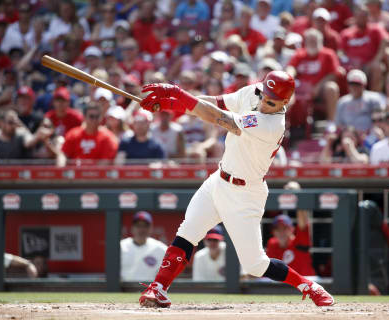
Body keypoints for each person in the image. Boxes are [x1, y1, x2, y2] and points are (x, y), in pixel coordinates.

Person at [138, 71, 334, 308]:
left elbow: (219, 117)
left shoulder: (272, 125)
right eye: (263, 95)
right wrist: (170, 104)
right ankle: (158, 288)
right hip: (218, 181)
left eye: (270, 101)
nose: (262, 102)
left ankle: (309, 286)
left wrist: (177, 95)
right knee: (188, 232)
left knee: (255, 265)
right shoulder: (253, 92)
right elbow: (214, 103)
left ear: (285, 103)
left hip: (246, 194)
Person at [266, 181, 316, 277]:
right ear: (273, 232)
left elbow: (303, 221)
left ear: (292, 230)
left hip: (306, 284)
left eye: (285, 228)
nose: (281, 232)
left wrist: (297, 193)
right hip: (283, 286)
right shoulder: (272, 244)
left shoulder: (299, 241)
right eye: (278, 229)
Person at [121, 211, 168, 281]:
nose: (141, 229)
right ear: (132, 228)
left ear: (151, 228)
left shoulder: (161, 249)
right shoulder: (121, 246)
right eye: (138, 226)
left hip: (149, 289)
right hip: (122, 289)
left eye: (145, 226)